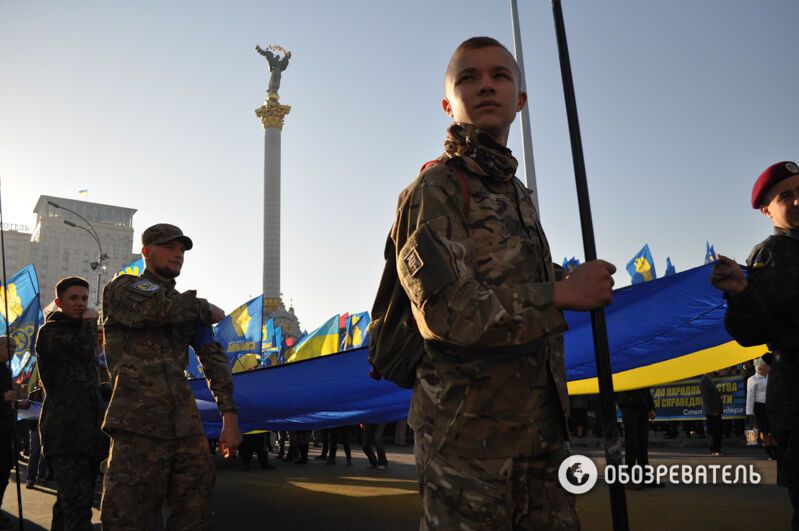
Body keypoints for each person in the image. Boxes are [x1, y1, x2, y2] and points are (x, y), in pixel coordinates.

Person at [391, 36, 615, 529]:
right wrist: (561, 293)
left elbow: (509, 278)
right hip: (468, 446)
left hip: (539, 435)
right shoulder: (437, 188)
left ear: (521, 100)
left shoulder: (517, 193)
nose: (486, 86)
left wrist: (566, 279)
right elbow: (446, 311)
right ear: (449, 104)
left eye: (500, 76)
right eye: (468, 78)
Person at [100, 223, 242, 530]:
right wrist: (203, 306)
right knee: (128, 515)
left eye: (182, 250)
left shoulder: (187, 309)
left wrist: (229, 417)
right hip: (137, 423)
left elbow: (213, 358)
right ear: (147, 253)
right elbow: (155, 307)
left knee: (193, 509)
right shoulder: (123, 288)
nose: (178, 254)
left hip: (185, 425)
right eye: (169, 247)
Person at [710, 160, 799, 529]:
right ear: (767, 210)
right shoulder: (771, 254)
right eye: (786, 196)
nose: (797, 201)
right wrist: (743, 294)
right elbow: (751, 331)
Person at [35, 276, 106, 530]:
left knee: (70, 504)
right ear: (59, 302)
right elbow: (85, 352)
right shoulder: (51, 332)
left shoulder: (81, 332)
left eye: (85, 298)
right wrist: (90, 324)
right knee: (77, 509)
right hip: (66, 434)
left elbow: (90, 383)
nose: (81, 304)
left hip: (87, 434)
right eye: (73, 298)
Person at [0, 336, 29, 529]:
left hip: (7, 428)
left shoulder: (6, 368)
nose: (12, 349)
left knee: (3, 473)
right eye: (9, 345)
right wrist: (2, 396)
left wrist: (17, 402)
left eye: (15, 347)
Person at [616, 388, 658, 489]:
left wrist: (652, 408)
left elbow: (646, 389)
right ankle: (630, 478)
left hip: (642, 409)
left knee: (642, 444)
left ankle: (645, 477)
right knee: (632, 444)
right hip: (629, 408)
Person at [746, 357, 776, 459]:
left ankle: (775, 450)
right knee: (764, 431)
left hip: (771, 406)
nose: (769, 367)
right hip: (759, 407)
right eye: (767, 366)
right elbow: (750, 397)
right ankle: (770, 452)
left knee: (772, 430)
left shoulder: (770, 377)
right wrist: (749, 413)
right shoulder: (752, 380)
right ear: (760, 367)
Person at [700, 373, 724, 456]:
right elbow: (706, 398)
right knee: (715, 431)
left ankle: (716, 448)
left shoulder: (709, 380)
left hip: (715, 410)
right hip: (712, 411)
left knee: (718, 430)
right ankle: (715, 449)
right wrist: (713, 410)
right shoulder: (704, 381)